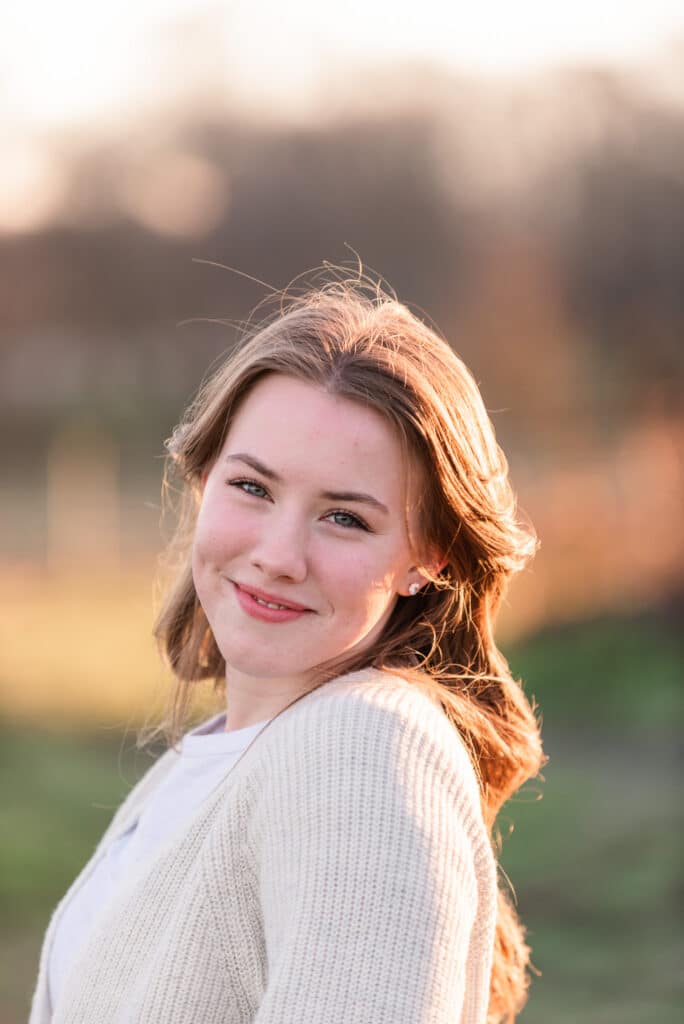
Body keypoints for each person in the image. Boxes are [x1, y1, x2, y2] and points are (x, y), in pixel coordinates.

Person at [29, 275, 545, 1024]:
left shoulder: (362, 746)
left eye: (343, 517)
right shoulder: (217, 758)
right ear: (203, 480)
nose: (278, 555)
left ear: (427, 557)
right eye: (253, 488)